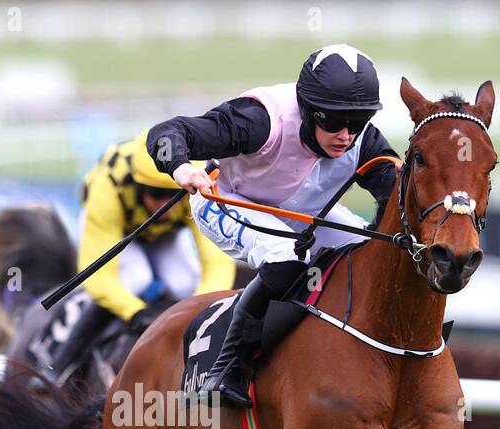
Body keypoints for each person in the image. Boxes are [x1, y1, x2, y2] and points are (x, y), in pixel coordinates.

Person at [148, 44, 399, 407]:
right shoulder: (260, 120)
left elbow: (398, 198)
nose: (346, 135)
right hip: (227, 199)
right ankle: (227, 366)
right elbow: (168, 132)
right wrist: (182, 168)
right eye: (333, 121)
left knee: (370, 253)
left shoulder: (364, 141)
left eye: (357, 123)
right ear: (309, 109)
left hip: (301, 211)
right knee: (284, 258)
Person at [45, 129, 234, 379]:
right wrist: (137, 313)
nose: (164, 204)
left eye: (172, 194)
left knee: (184, 283)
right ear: (136, 185)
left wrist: (196, 316)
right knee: (137, 279)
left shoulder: (198, 184)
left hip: (165, 235)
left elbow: (218, 263)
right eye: (156, 195)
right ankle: (60, 365)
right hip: (120, 234)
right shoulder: (107, 188)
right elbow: (99, 277)